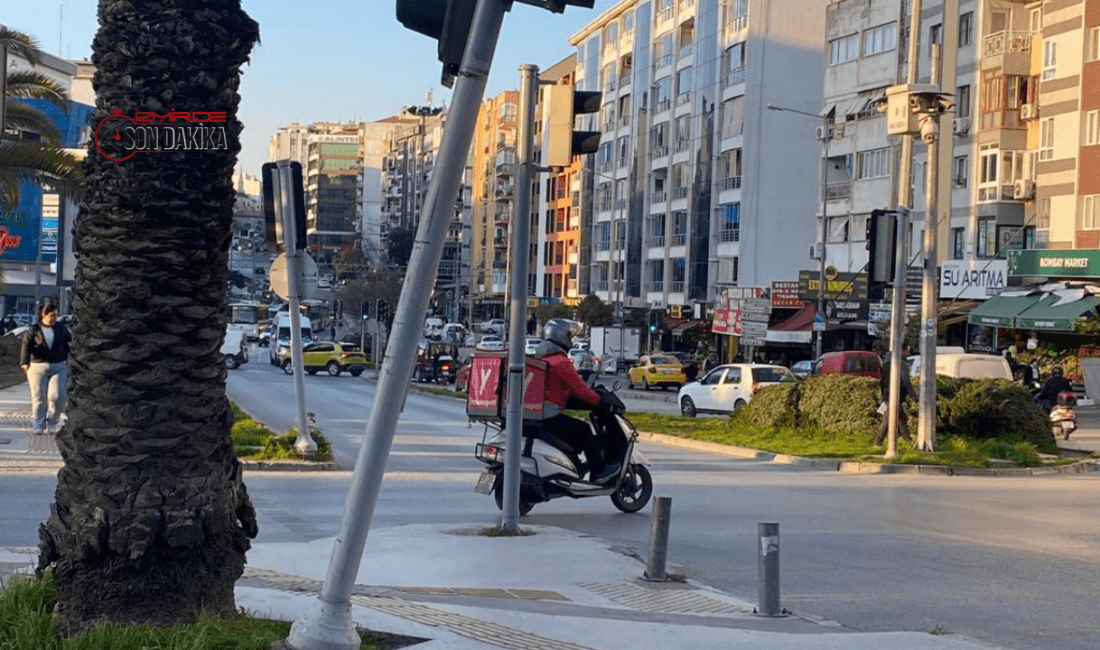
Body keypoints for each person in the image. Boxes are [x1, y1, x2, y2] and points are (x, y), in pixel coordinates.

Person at [537, 318, 619, 483]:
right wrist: (599, 401)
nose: (571, 340)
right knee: (585, 431)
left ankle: (574, 463)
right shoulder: (560, 361)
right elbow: (582, 391)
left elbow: (558, 391)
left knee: (572, 428)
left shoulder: (542, 358)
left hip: (538, 414)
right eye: (569, 336)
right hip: (549, 416)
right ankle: (599, 472)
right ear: (561, 337)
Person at [20, 304, 72, 435]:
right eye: (52, 315)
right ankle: (38, 424)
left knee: (58, 396)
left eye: (56, 315)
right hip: (37, 367)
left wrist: (71, 359)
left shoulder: (61, 328)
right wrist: (24, 362)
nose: (55, 318)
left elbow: (69, 343)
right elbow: (26, 345)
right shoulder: (34, 329)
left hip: (58, 365)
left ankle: (53, 423)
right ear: (43, 315)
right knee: (39, 397)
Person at [874, 344, 915, 446]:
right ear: (902, 351)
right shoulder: (903, 364)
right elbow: (906, 382)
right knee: (889, 418)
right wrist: (915, 396)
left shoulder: (887, 364)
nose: (909, 353)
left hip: (887, 394)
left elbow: (882, 381)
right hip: (897, 394)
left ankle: (907, 440)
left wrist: (883, 395)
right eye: (907, 351)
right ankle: (878, 442)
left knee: (900, 418)